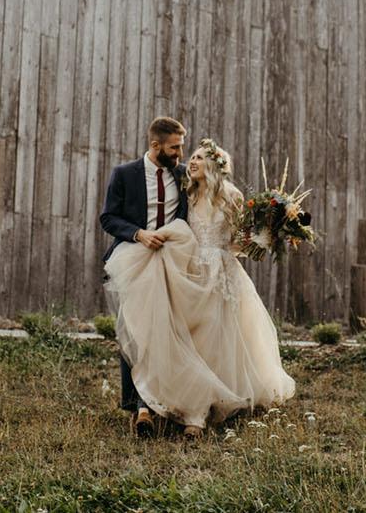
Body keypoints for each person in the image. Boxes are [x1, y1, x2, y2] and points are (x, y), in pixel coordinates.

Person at [102, 134, 296, 438]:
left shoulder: (231, 197)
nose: (189, 160)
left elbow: (236, 242)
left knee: (219, 341)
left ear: (214, 165)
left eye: (198, 157)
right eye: (189, 156)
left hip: (221, 272)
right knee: (191, 340)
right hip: (190, 270)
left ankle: (202, 414)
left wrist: (262, 237)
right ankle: (176, 404)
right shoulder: (188, 194)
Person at [99, 116, 189, 437]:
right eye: (174, 148)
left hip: (173, 262)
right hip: (135, 258)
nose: (180, 154)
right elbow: (108, 217)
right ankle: (138, 406)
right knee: (134, 331)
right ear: (155, 146)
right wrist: (138, 234)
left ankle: (168, 400)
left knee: (170, 331)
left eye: (181, 147)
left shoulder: (183, 176)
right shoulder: (124, 174)